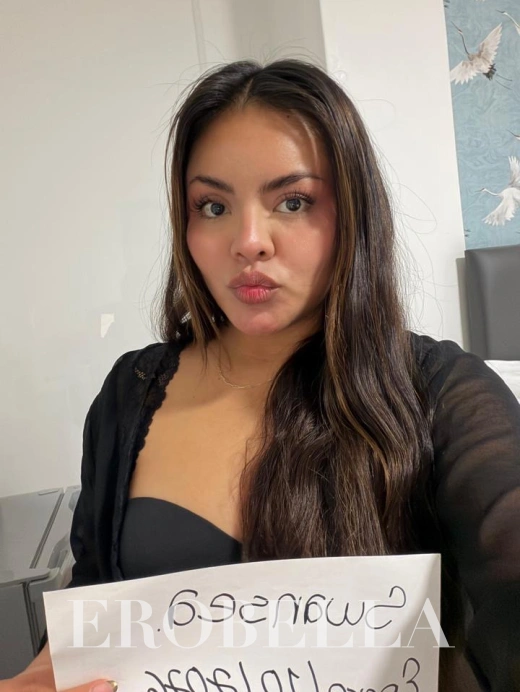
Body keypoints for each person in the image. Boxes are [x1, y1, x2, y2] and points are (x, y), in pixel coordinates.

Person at [2, 57, 519, 692]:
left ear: (353, 215)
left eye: (293, 202)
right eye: (213, 205)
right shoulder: (131, 392)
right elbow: (93, 601)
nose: (248, 241)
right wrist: (42, 673)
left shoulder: (440, 394)